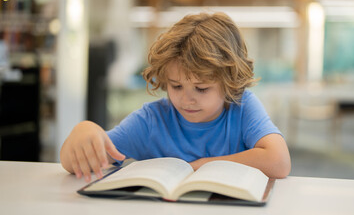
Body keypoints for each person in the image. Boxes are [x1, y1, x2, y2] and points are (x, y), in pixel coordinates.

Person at [60, 12, 291, 183]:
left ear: (229, 82)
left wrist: (200, 166)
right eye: (176, 86)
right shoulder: (151, 120)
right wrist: (84, 131)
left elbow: (279, 161)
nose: (186, 100)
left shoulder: (242, 106)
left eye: (201, 89)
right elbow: (73, 164)